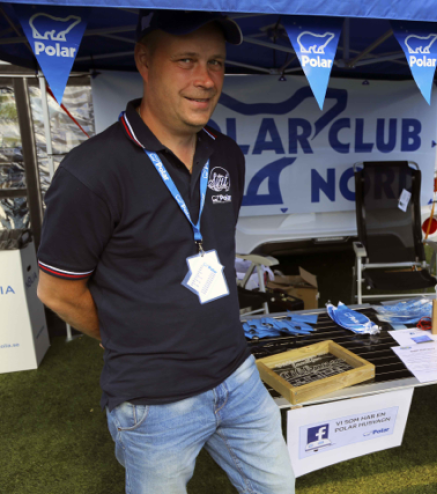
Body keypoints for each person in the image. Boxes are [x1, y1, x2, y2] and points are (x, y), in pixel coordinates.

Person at [36, 10, 295, 494]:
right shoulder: (90, 172)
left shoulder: (226, 154)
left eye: (216, 62)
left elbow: (210, 246)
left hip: (238, 377)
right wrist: (123, 336)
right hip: (154, 400)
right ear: (144, 61)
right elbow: (57, 291)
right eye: (186, 60)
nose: (206, 79)